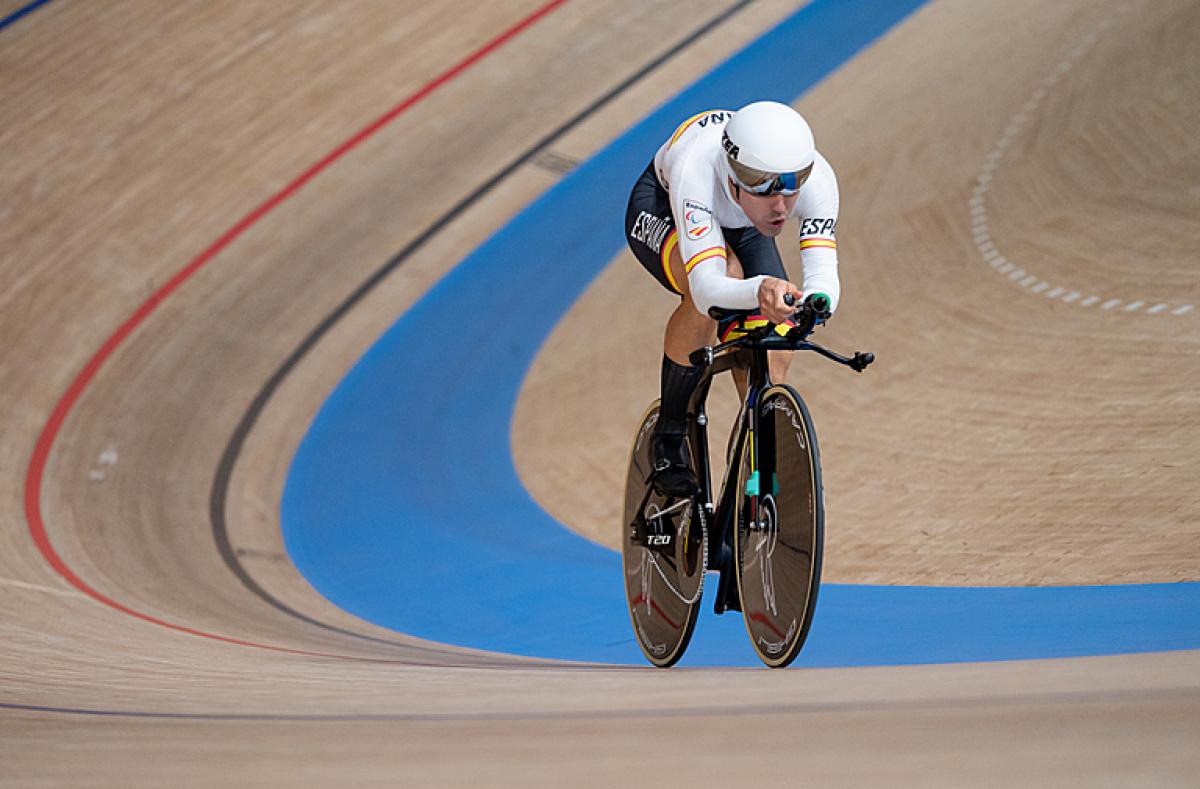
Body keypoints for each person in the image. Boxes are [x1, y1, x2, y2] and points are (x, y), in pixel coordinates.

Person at [624, 100, 841, 496]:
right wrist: (758, 291)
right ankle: (670, 436)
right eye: (766, 190)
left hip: (744, 220)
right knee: (727, 278)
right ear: (735, 178)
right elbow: (709, 290)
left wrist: (813, 303)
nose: (781, 205)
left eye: (792, 189)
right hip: (665, 208)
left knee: (774, 345)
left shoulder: (817, 180)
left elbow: (824, 275)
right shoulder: (697, 170)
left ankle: (750, 468)